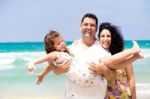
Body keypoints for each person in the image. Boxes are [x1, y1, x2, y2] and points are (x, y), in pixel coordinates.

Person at [32, 13, 142, 99]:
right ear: (80, 27)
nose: (88, 27)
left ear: (96, 28)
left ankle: (134, 54)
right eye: (85, 24)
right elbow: (53, 62)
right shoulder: (71, 48)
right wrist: (58, 70)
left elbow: (112, 76)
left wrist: (103, 69)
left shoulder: (104, 49)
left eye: (92, 25)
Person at [89, 22, 143, 99]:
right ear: (99, 39)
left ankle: (134, 52)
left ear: (113, 38)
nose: (105, 39)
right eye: (102, 36)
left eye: (108, 36)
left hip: (124, 95)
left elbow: (131, 79)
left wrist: (134, 97)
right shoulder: (98, 55)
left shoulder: (123, 55)